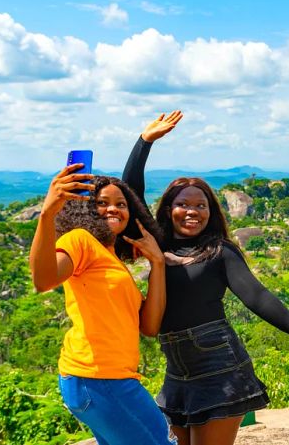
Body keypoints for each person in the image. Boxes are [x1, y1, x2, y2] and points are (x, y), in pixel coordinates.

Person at [122, 111, 289, 445]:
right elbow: (130, 194)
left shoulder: (220, 252)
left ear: (211, 211)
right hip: (177, 371)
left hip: (218, 365)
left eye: (201, 205)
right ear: (168, 209)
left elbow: (258, 298)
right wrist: (144, 142)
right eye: (183, 204)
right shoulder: (158, 245)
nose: (192, 211)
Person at [29, 161, 178, 444]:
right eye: (102, 202)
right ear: (85, 209)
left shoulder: (111, 258)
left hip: (109, 379)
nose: (114, 209)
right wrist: (47, 214)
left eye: (121, 204)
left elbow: (148, 326)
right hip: (97, 378)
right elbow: (44, 280)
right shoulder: (80, 240)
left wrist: (157, 263)